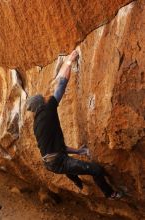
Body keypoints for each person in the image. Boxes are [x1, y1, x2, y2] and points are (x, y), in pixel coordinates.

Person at [26, 50, 122, 199]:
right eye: (44, 97)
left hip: (51, 162)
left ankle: (76, 181)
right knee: (95, 169)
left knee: (67, 167)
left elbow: (59, 148)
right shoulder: (47, 110)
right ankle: (110, 194)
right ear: (41, 104)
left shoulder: (38, 122)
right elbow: (61, 86)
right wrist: (69, 61)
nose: (47, 97)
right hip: (58, 162)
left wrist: (79, 152)